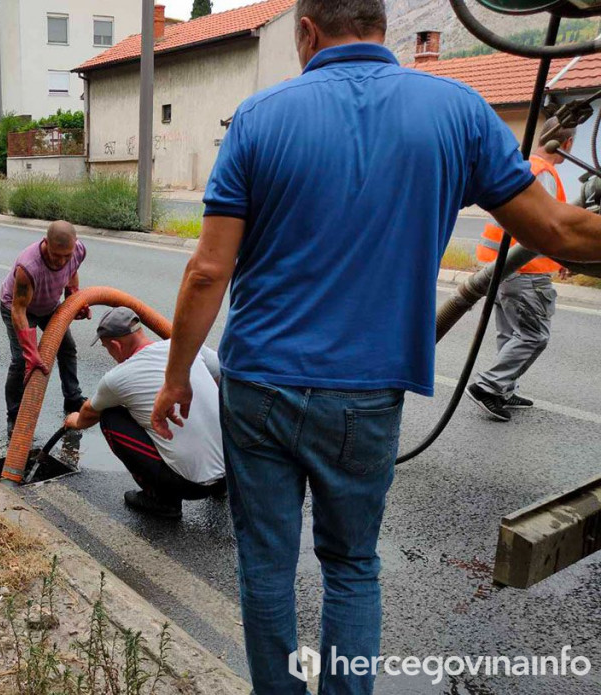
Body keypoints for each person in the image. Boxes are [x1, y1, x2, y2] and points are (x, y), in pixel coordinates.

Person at [148, 2, 601, 693]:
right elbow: (560, 232)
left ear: (307, 31)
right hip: (365, 393)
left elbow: (209, 270)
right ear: (381, 26)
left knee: (266, 565)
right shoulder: (459, 111)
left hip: (260, 382)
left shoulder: (260, 118)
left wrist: (177, 375)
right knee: (352, 566)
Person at [63, 308, 225, 519]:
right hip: (233, 472)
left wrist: (74, 421)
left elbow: (89, 413)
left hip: (190, 486)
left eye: (106, 348)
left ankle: (162, 500)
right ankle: (220, 486)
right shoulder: (186, 348)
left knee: (110, 416)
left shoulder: (116, 379)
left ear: (116, 345)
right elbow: (222, 373)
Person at [466, 118, 575, 422]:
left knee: (510, 332)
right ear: (567, 144)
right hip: (524, 270)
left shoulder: (523, 166)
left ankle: (503, 389)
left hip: (497, 267)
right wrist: (567, 259)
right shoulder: (545, 174)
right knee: (533, 335)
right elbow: (549, 226)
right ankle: (489, 387)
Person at [0, 221, 89, 435]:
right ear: (46, 243)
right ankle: (14, 416)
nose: (61, 261)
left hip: (48, 305)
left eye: (66, 255)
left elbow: (72, 270)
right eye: (56, 255)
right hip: (19, 308)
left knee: (67, 348)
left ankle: (73, 398)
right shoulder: (29, 266)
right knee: (21, 361)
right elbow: (19, 310)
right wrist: (31, 352)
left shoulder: (77, 251)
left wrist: (73, 298)